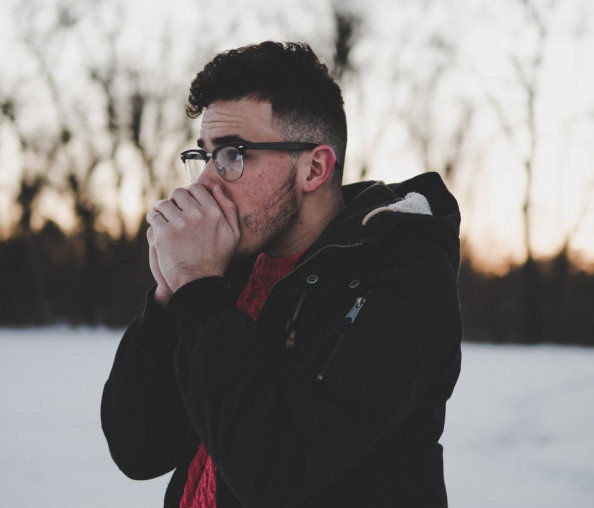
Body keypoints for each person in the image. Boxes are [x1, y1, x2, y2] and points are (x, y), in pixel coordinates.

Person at [101, 41, 462, 508]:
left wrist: (200, 291)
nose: (207, 180)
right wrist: (169, 299)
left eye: (233, 154)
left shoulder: (399, 277)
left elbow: (275, 473)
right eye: (205, 156)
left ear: (314, 168)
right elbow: (138, 450)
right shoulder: (227, 270)